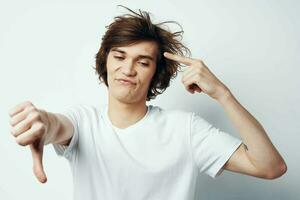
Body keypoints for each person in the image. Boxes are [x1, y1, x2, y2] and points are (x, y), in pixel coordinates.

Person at [8, 6, 287, 200]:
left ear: (156, 74)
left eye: (142, 62)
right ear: (105, 61)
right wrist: (42, 123)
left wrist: (222, 94)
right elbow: (57, 125)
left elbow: (270, 167)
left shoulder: (185, 130)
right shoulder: (83, 122)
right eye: (119, 57)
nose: (128, 69)